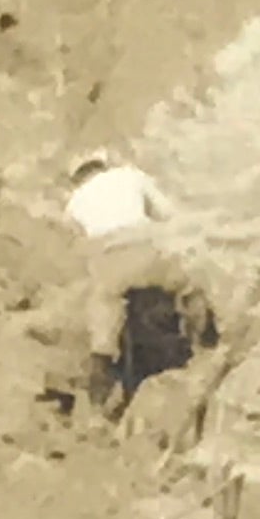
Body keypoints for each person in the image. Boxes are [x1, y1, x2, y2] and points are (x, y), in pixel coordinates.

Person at [65, 152, 185, 412]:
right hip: (147, 250)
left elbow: (79, 244)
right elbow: (168, 213)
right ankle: (201, 332)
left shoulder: (73, 202)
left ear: (76, 179)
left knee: (103, 305)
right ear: (103, 166)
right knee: (186, 282)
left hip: (110, 261)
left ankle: (101, 364)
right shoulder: (131, 175)